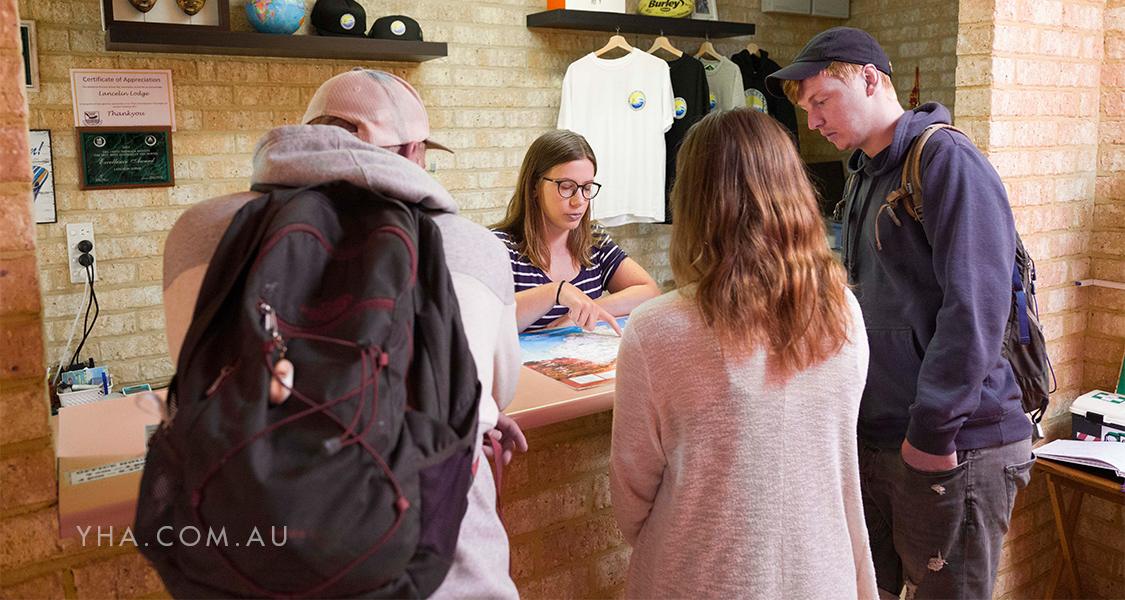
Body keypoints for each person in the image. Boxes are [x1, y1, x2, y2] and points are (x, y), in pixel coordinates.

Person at [162, 68, 526, 599]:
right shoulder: (474, 246)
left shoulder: (198, 231)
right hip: (443, 569)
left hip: (258, 555)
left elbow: (197, 376)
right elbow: (496, 389)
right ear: (412, 152)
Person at [767, 27, 1034, 600]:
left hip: (956, 442)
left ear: (870, 78)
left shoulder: (946, 160)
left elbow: (977, 312)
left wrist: (933, 431)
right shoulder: (865, 173)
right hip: (882, 436)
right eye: (806, 108)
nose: (812, 122)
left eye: (821, 101)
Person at [609, 109, 877, 600]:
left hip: (699, 575)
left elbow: (631, 501)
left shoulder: (656, 330)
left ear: (690, 199)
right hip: (824, 571)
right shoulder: (846, 314)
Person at [491, 129, 660, 334]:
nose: (579, 201)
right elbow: (484, 321)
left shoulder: (593, 241)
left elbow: (649, 292)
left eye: (587, 188)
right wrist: (556, 291)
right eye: (566, 186)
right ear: (534, 186)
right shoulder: (499, 247)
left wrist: (588, 310)